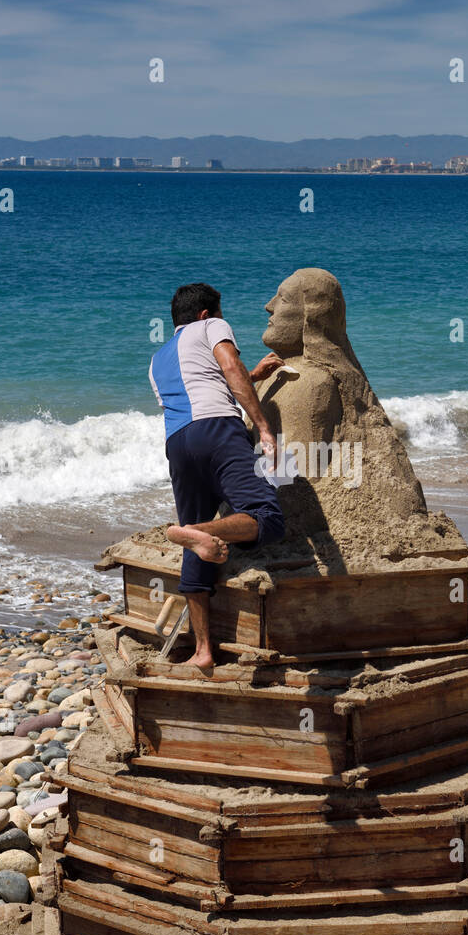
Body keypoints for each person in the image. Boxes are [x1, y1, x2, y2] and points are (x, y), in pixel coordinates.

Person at [149, 282, 286, 668]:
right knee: (268, 517)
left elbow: (201, 384)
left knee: (195, 538)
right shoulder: (212, 328)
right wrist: (262, 426)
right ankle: (199, 532)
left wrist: (254, 375)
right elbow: (227, 367)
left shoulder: (157, 360)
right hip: (218, 430)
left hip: (178, 443)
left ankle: (203, 652)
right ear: (206, 313)